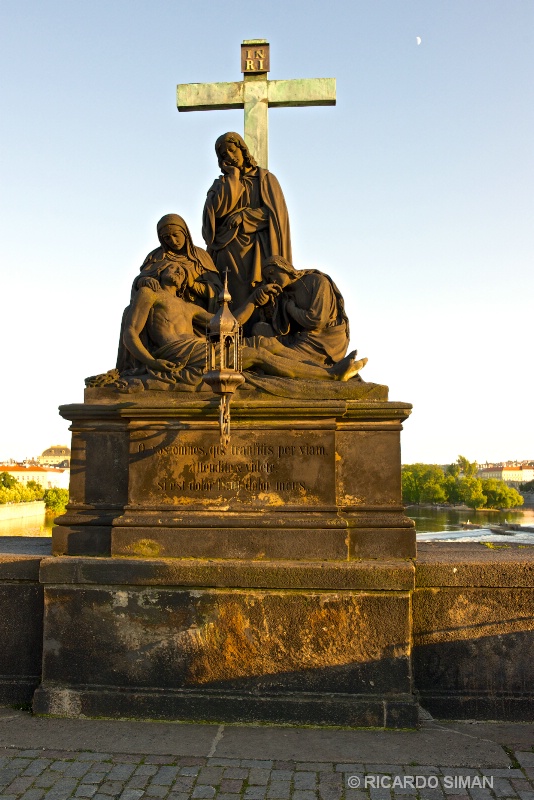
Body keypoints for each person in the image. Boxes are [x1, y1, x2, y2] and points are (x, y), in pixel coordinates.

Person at [122, 262, 367, 386]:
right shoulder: (150, 293)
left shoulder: (189, 308)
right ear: (160, 271)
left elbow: (232, 324)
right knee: (255, 355)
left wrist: (252, 300)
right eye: (172, 267)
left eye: (181, 271)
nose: (177, 271)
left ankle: (323, 370)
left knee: (264, 342)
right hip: (178, 351)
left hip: (196, 347)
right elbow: (131, 332)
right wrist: (152, 362)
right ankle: (330, 376)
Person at [202, 132, 292, 316]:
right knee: (229, 293)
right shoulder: (220, 185)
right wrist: (233, 178)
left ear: (243, 149)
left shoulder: (265, 180)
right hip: (227, 249)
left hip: (256, 249)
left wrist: (244, 216)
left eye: (233, 150)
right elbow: (213, 216)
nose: (230, 156)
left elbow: (275, 214)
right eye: (224, 155)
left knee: (255, 293)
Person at [238, 256, 351, 367]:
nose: (272, 279)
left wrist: (290, 309)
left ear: (284, 267)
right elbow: (281, 328)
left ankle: (330, 372)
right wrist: (263, 299)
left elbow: (317, 321)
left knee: (277, 360)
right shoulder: (284, 294)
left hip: (324, 340)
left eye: (272, 272)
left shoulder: (318, 281)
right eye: (268, 278)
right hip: (301, 336)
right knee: (259, 329)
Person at [135, 213, 222, 312]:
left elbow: (217, 291)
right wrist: (145, 281)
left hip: (196, 314)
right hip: (164, 313)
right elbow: (139, 282)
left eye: (176, 235)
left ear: (185, 233)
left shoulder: (200, 256)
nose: (173, 241)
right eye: (167, 238)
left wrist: (192, 284)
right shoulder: (156, 257)